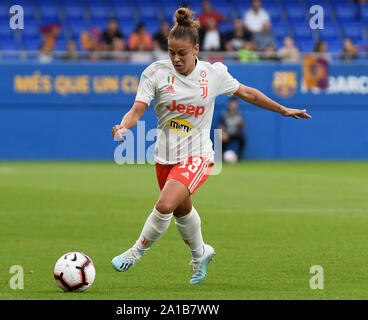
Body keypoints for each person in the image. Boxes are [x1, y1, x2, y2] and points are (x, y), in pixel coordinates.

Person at [111, 7, 311, 285]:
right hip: (164, 156)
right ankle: (200, 255)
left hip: (198, 155)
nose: (176, 58)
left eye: (182, 53)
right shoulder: (155, 73)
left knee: (166, 204)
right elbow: (136, 110)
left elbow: (248, 93)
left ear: (196, 49)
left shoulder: (212, 74)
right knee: (182, 210)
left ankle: (135, 252)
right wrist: (123, 126)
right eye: (171, 52)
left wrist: (282, 109)